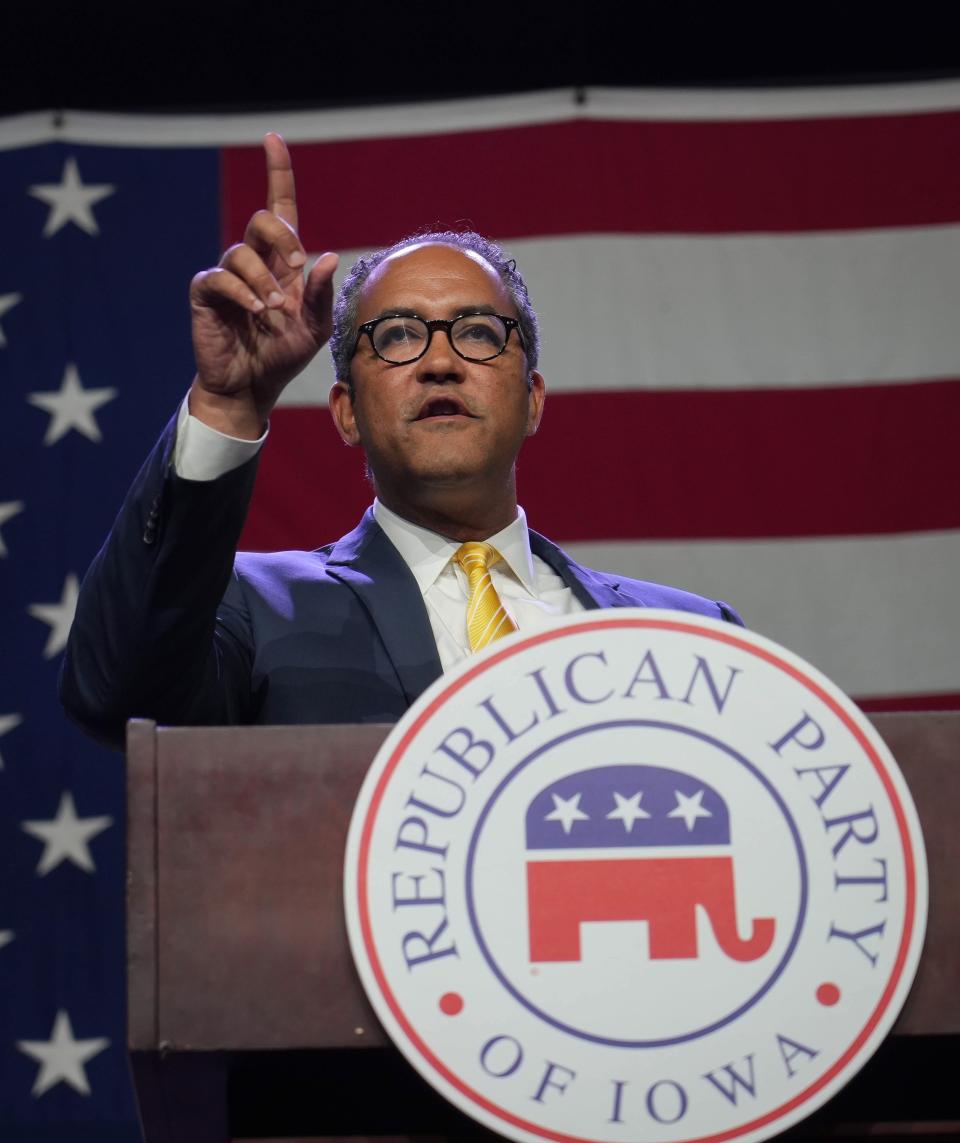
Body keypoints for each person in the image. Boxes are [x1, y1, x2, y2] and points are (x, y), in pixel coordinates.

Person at [60, 135, 741, 749]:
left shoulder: (689, 634)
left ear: (532, 400)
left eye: (477, 331)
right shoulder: (255, 608)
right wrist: (228, 402)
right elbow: (118, 696)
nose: (440, 362)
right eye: (397, 336)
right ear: (346, 413)